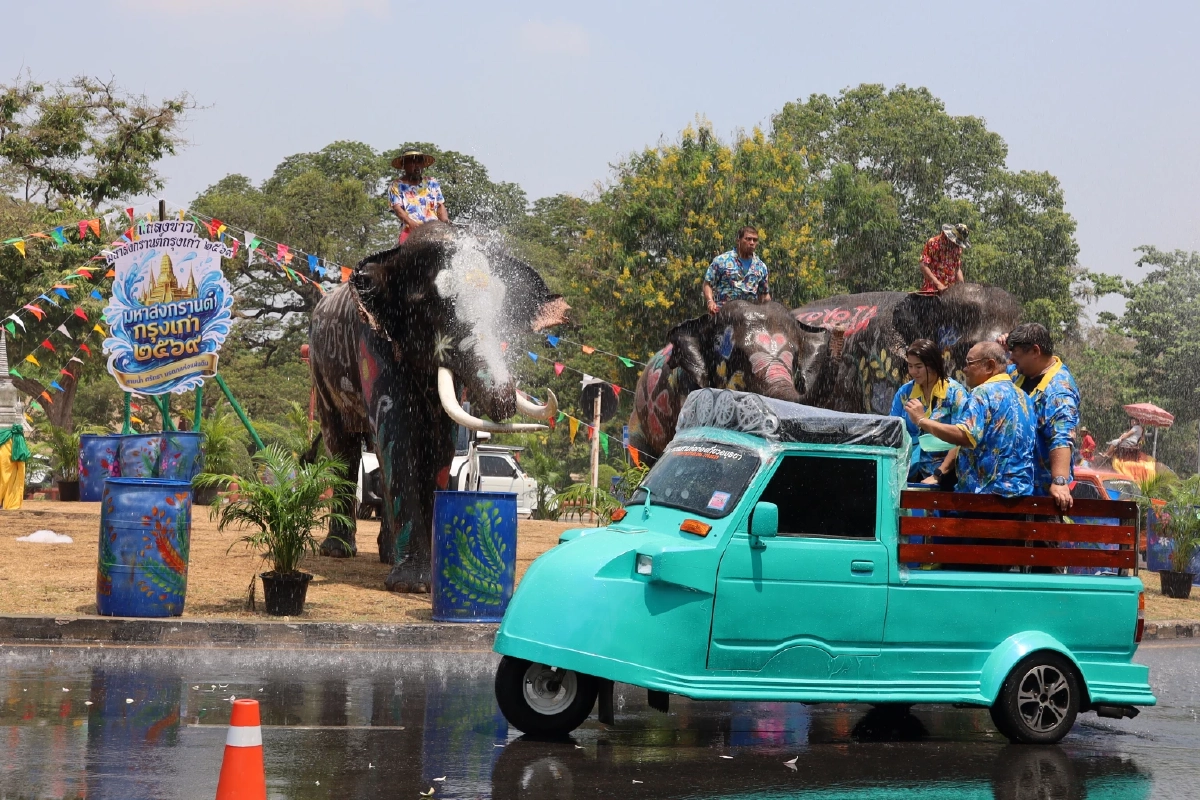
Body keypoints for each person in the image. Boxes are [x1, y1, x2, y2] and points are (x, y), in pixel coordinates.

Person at [904, 341, 1034, 497]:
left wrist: (922, 420)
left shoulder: (983, 393)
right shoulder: (1024, 396)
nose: (964, 369)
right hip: (1019, 494)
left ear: (989, 366)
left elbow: (964, 435)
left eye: (969, 363)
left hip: (985, 496)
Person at [1004, 323, 1080, 512]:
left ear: (1035, 351)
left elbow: (1062, 435)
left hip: (1041, 494)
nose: (1011, 359)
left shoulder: (1059, 390)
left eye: (1016, 354)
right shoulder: (1018, 374)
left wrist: (1060, 481)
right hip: (1013, 487)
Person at [889, 339, 968, 484]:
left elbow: (962, 438)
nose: (913, 372)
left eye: (918, 366)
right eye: (910, 366)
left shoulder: (955, 394)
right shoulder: (905, 393)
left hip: (947, 475)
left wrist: (938, 474)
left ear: (933, 365)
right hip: (909, 471)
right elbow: (892, 431)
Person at [703, 227, 771, 314]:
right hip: (723, 315)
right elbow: (707, 283)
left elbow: (764, 295)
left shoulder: (761, 267)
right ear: (738, 240)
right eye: (748, 239)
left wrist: (769, 311)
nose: (752, 243)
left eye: (755, 240)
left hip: (750, 317)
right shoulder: (722, 260)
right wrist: (710, 302)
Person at [387, 149, 449, 243]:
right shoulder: (396, 185)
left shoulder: (431, 182)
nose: (417, 166)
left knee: (452, 243)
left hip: (434, 228)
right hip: (411, 228)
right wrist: (411, 223)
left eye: (419, 162)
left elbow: (440, 205)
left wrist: (445, 222)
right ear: (404, 166)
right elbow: (397, 208)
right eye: (412, 162)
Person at [919, 223, 969, 294]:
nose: (956, 245)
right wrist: (938, 284)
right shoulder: (933, 243)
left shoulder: (957, 249)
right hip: (932, 290)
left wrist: (962, 287)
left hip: (950, 292)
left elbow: (957, 268)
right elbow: (923, 266)